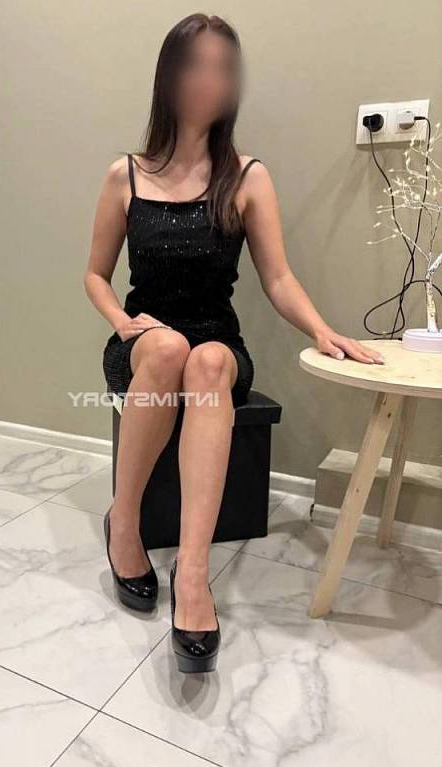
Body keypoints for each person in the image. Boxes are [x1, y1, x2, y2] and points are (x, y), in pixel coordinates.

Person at [83, 13, 385, 673]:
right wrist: (122, 322)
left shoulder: (246, 176)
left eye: (222, 68)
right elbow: (95, 275)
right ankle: (124, 521)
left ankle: (192, 572)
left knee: (209, 358)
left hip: (215, 346)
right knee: (168, 350)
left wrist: (322, 329)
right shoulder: (123, 175)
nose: (208, 80)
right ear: (168, 76)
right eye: (195, 65)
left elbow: (277, 277)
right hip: (143, 344)